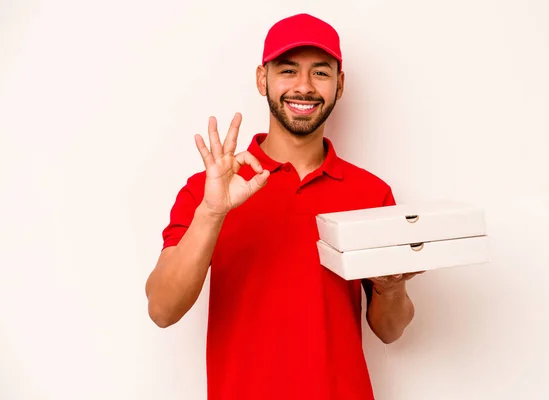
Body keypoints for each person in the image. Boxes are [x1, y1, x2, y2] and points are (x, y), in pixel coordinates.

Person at [145, 13, 423, 400]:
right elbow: (161, 309)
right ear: (263, 79)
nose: (304, 87)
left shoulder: (371, 193)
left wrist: (390, 289)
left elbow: (391, 331)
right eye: (288, 70)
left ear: (340, 85)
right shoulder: (208, 190)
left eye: (321, 73)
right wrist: (212, 213)